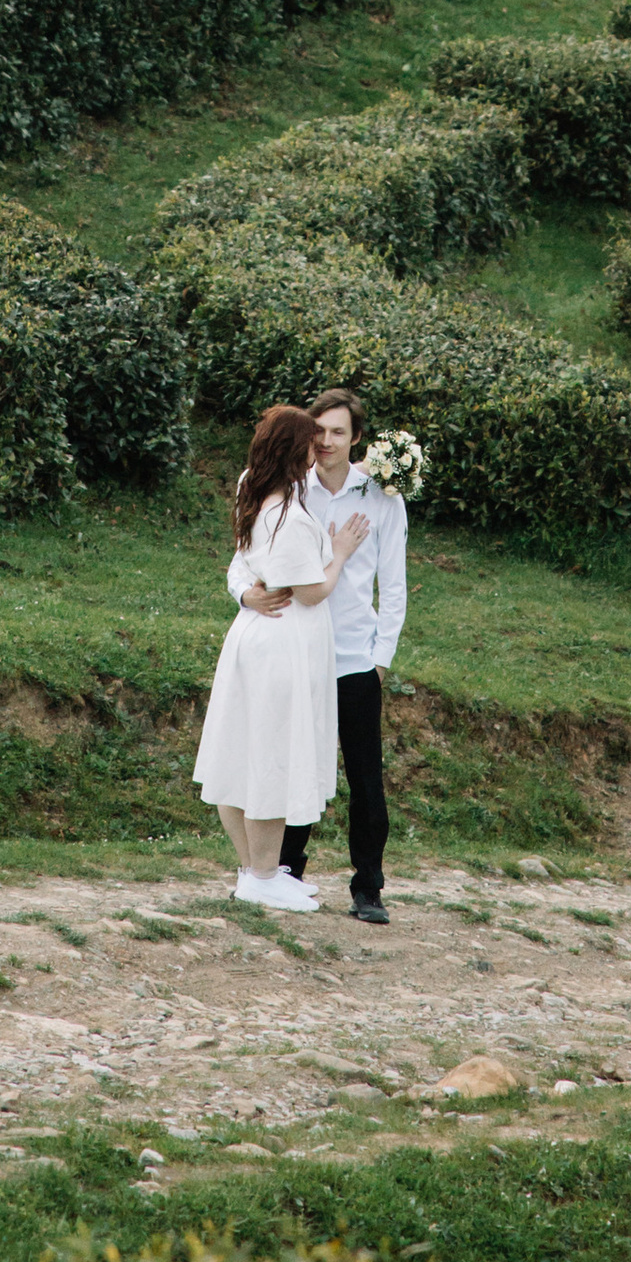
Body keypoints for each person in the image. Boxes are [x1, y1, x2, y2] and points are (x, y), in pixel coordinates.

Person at [232, 380, 405, 924]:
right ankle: (283, 871)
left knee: (364, 776)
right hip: (295, 651)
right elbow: (242, 560)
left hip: (353, 655)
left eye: (338, 432)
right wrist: (245, 593)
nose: (326, 441)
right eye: (320, 431)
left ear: (357, 440)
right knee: (293, 762)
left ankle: (368, 888)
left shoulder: (381, 496)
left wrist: (382, 659)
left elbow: (394, 585)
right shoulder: (286, 484)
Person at [193, 404, 370, 911]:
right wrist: (339, 549)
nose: (321, 450)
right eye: (312, 444)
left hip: (255, 636)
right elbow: (313, 592)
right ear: (295, 452)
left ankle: (254, 870)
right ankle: (264, 873)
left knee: (243, 751)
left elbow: (247, 560)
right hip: (282, 642)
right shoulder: (288, 517)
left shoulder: (255, 489)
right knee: (268, 755)